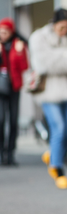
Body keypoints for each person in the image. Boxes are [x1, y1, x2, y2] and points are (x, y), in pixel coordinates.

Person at [29, 8, 67, 189]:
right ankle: (57, 168)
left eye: (66, 27)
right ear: (54, 24)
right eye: (61, 27)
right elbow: (43, 64)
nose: (63, 31)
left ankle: (52, 154)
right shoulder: (40, 37)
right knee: (59, 129)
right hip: (49, 93)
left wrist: (61, 58)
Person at [0, 18, 28, 166]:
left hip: (14, 88)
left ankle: (10, 154)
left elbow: (24, 66)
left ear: (11, 32)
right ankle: (0, 153)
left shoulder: (19, 44)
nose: (2, 35)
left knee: (13, 121)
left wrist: (18, 53)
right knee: (0, 120)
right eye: (1, 32)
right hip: (0, 89)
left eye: (5, 32)